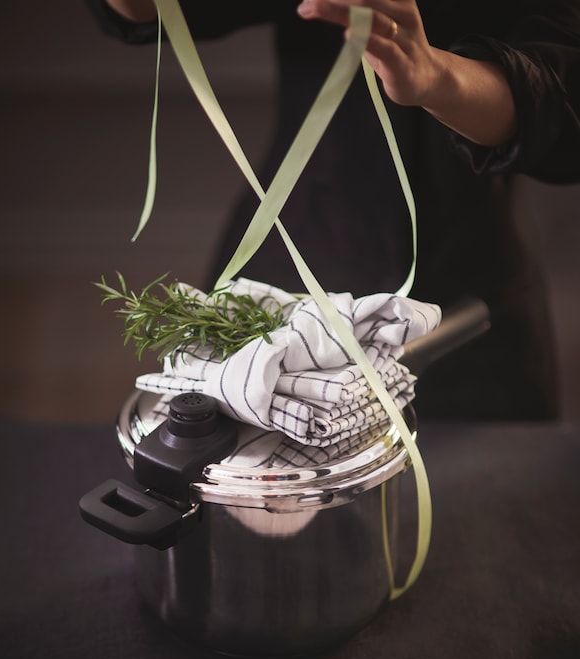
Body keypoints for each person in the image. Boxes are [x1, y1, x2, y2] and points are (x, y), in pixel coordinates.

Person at [85, 0, 580, 419]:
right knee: (264, 501)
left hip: (469, 300)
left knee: (490, 507)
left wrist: (436, 77)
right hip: (289, 266)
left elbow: (562, 94)